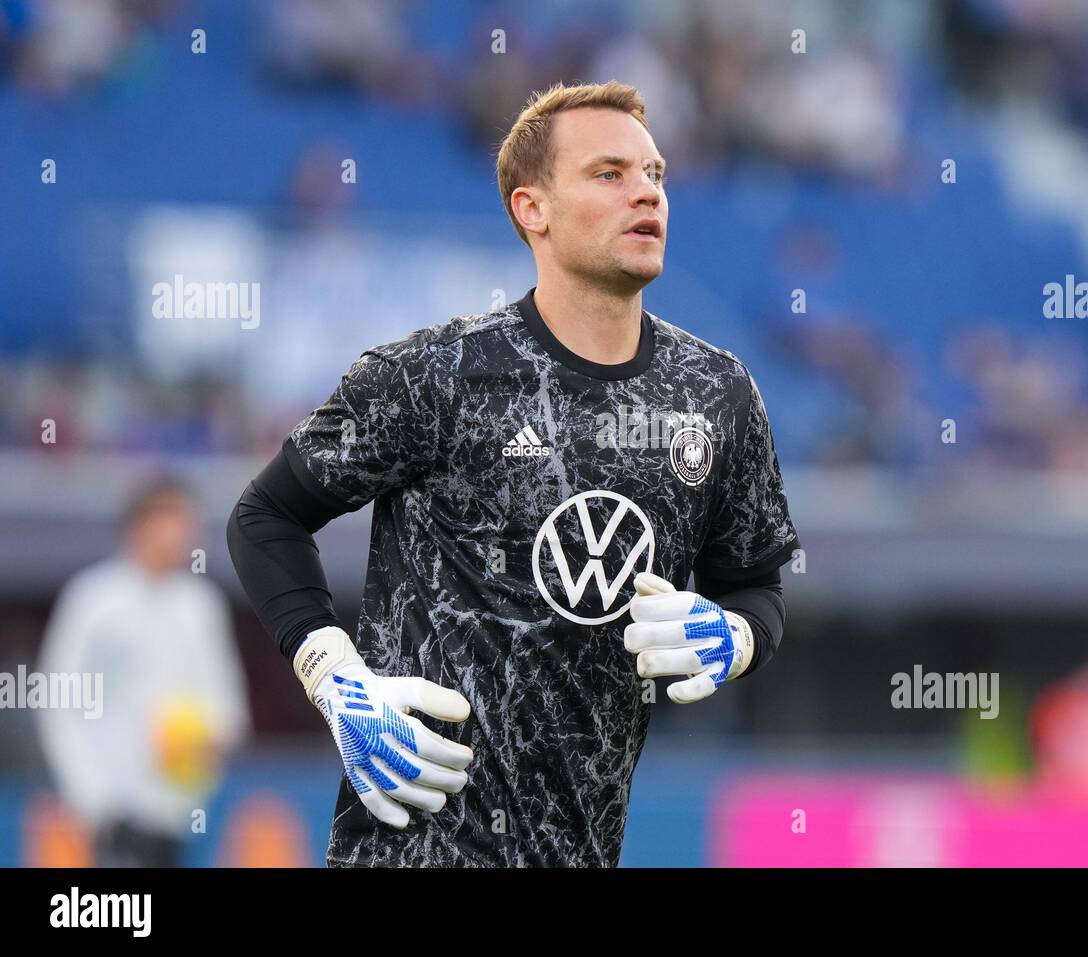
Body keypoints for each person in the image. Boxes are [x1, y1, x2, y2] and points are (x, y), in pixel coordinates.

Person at [227, 80, 799, 867]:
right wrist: (336, 681)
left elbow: (758, 583)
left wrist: (734, 637)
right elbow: (264, 517)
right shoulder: (436, 372)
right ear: (533, 209)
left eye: (656, 175)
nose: (647, 193)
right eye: (609, 174)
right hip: (410, 850)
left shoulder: (717, 395)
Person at [37, 476, 251, 867]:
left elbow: (226, 701)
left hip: (183, 809)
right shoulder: (93, 601)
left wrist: (213, 735)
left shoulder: (201, 606)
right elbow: (59, 704)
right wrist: (91, 798)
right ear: (140, 526)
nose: (186, 534)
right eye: (174, 520)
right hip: (116, 811)